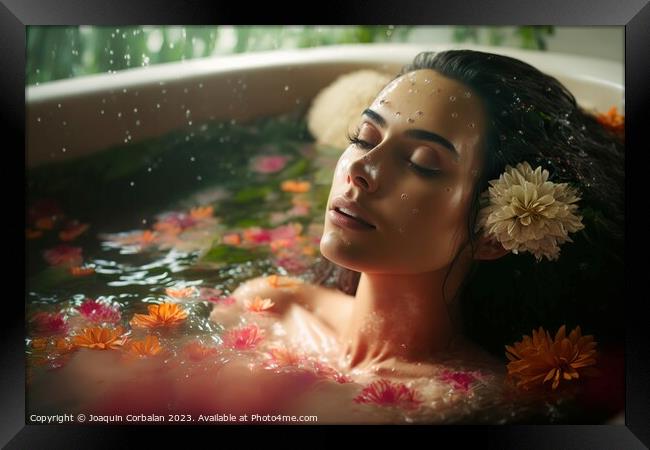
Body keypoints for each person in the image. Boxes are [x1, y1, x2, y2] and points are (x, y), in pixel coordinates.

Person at [209, 50, 625, 419]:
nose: (359, 170)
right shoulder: (266, 307)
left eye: (423, 163)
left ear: (493, 235)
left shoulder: (469, 404)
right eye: (364, 138)